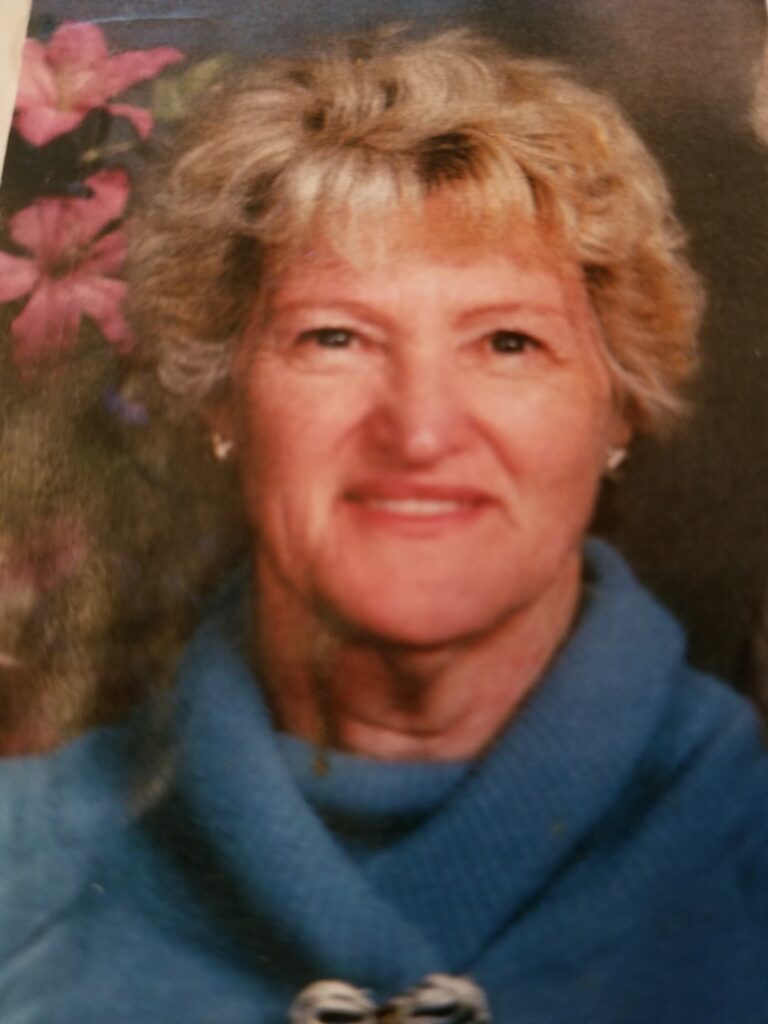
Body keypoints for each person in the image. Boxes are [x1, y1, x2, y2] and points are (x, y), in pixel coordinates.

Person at [1, 27, 767, 1024]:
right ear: (221, 399)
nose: (420, 429)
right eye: (336, 336)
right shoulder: (22, 861)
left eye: (508, 341)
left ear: (620, 407)